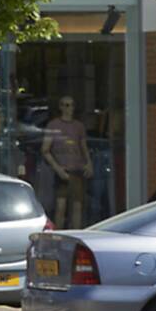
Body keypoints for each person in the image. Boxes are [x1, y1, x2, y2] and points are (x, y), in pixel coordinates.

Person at [41, 96, 93, 227]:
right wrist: (57, 169)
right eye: (65, 105)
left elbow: (83, 146)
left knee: (77, 206)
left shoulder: (79, 126)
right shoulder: (53, 125)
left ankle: (76, 235)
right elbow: (45, 150)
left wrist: (89, 163)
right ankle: (58, 235)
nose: (68, 108)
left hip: (77, 169)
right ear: (60, 107)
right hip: (62, 171)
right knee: (60, 206)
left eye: (71, 105)